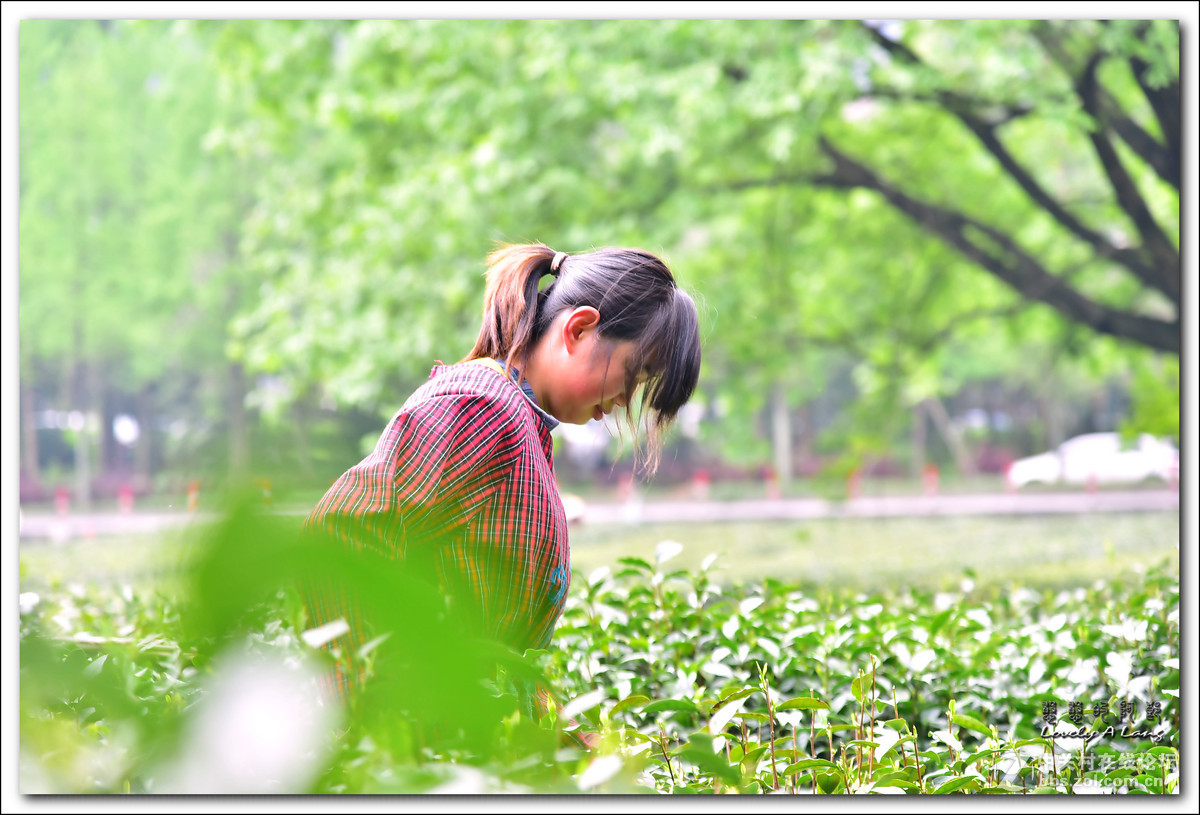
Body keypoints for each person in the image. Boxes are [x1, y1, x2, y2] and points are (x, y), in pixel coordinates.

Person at [301, 242, 702, 733]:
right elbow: (339, 541)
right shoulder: (483, 409)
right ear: (578, 329)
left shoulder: (521, 428)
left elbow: (497, 655)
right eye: (630, 376)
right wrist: (383, 714)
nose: (624, 402)